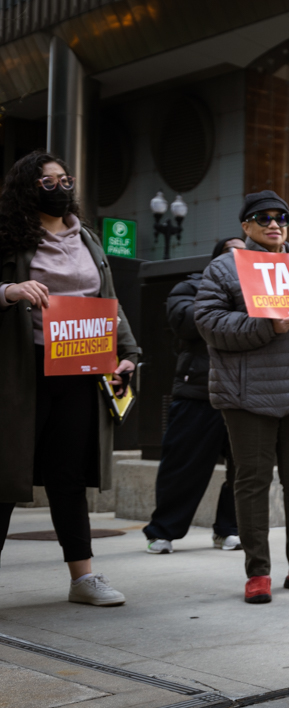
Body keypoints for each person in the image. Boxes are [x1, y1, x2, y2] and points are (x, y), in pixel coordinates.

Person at [0, 150, 139, 605]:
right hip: (25, 369)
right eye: (47, 182)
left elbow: (108, 301)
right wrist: (10, 290)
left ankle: (84, 578)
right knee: (6, 470)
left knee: (69, 474)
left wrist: (128, 352)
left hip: (81, 368)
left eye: (65, 180)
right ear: (26, 188)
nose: (60, 188)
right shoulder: (10, 237)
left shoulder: (90, 240)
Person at [195, 192, 289, 604]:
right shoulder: (226, 268)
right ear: (246, 225)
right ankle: (258, 572)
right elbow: (207, 322)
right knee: (253, 480)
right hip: (247, 393)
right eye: (264, 217)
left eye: (282, 217)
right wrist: (265, 328)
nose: (274, 224)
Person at [144, 237, 245, 554]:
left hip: (244, 394)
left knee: (243, 469)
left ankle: (228, 529)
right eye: (231, 252)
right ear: (216, 261)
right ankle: (162, 532)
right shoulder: (190, 286)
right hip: (198, 390)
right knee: (183, 466)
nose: (238, 258)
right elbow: (186, 322)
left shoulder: (259, 287)